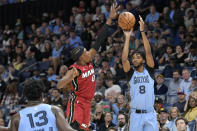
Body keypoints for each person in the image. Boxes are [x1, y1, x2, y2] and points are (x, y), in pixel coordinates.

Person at [57, 4, 119, 131]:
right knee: (74, 129)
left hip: (87, 103)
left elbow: (100, 39)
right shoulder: (74, 70)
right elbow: (59, 85)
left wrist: (109, 20)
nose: (89, 53)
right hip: (78, 103)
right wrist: (68, 85)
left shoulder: (88, 59)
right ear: (80, 57)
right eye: (85, 52)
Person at [121, 16, 158, 131]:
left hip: (150, 114)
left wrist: (142, 31)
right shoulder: (131, 74)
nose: (135, 59)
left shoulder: (150, 71)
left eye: (138, 57)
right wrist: (127, 38)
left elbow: (148, 52)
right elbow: (124, 60)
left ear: (143, 60)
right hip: (135, 115)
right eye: (133, 58)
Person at [1, 79, 75, 131]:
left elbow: (10, 129)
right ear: (42, 95)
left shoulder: (16, 117)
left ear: (25, 96)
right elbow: (67, 129)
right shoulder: (55, 110)